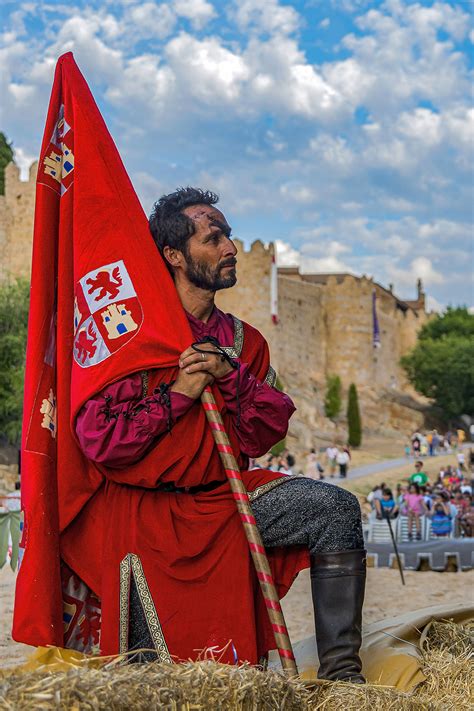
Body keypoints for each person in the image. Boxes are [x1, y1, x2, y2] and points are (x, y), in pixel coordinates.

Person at [75, 188, 366, 682]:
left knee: (334, 510)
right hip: (144, 515)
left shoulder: (245, 342)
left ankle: (343, 679)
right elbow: (99, 439)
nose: (230, 247)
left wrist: (231, 377)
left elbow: (263, 436)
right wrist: (181, 393)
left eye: (228, 235)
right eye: (214, 238)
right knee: (157, 680)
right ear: (174, 255)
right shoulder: (128, 332)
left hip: (225, 498)